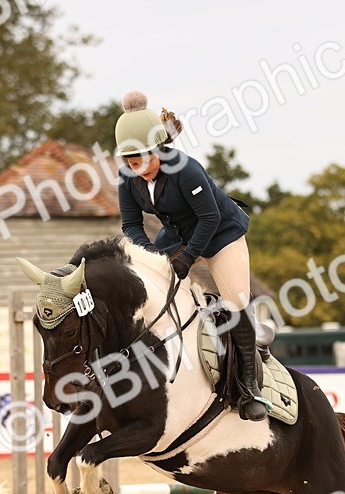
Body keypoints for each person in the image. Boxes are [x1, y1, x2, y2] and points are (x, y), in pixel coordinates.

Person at [114, 90, 267, 422]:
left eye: (142, 158)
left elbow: (209, 219)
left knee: (237, 300)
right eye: (130, 160)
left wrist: (185, 260)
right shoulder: (128, 178)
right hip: (179, 235)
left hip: (221, 234)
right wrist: (153, 256)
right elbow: (131, 225)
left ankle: (250, 388)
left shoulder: (185, 169)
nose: (137, 167)